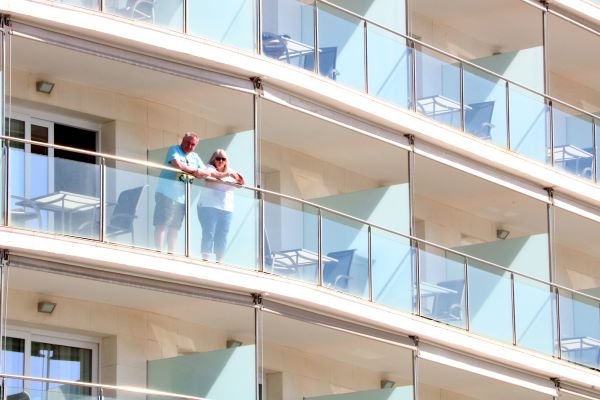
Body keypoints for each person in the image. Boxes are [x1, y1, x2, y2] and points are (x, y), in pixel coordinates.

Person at [153, 132, 228, 253]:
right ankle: (159, 252)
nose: (190, 146)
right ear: (183, 140)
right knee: (162, 224)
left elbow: (207, 172)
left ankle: (171, 253)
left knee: (175, 227)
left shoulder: (195, 156)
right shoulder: (174, 149)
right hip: (166, 193)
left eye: (193, 144)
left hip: (182, 198)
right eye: (188, 142)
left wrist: (224, 174)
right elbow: (178, 165)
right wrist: (195, 171)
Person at [197, 149, 245, 262]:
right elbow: (211, 178)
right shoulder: (208, 168)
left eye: (223, 159)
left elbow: (242, 183)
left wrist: (238, 178)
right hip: (209, 206)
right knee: (209, 232)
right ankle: (206, 259)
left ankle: (220, 259)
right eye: (218, 158)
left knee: (222, 234)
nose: (221, 161)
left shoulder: (231, 170)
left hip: (226, 208)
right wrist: (227, 175)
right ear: (214, 159)